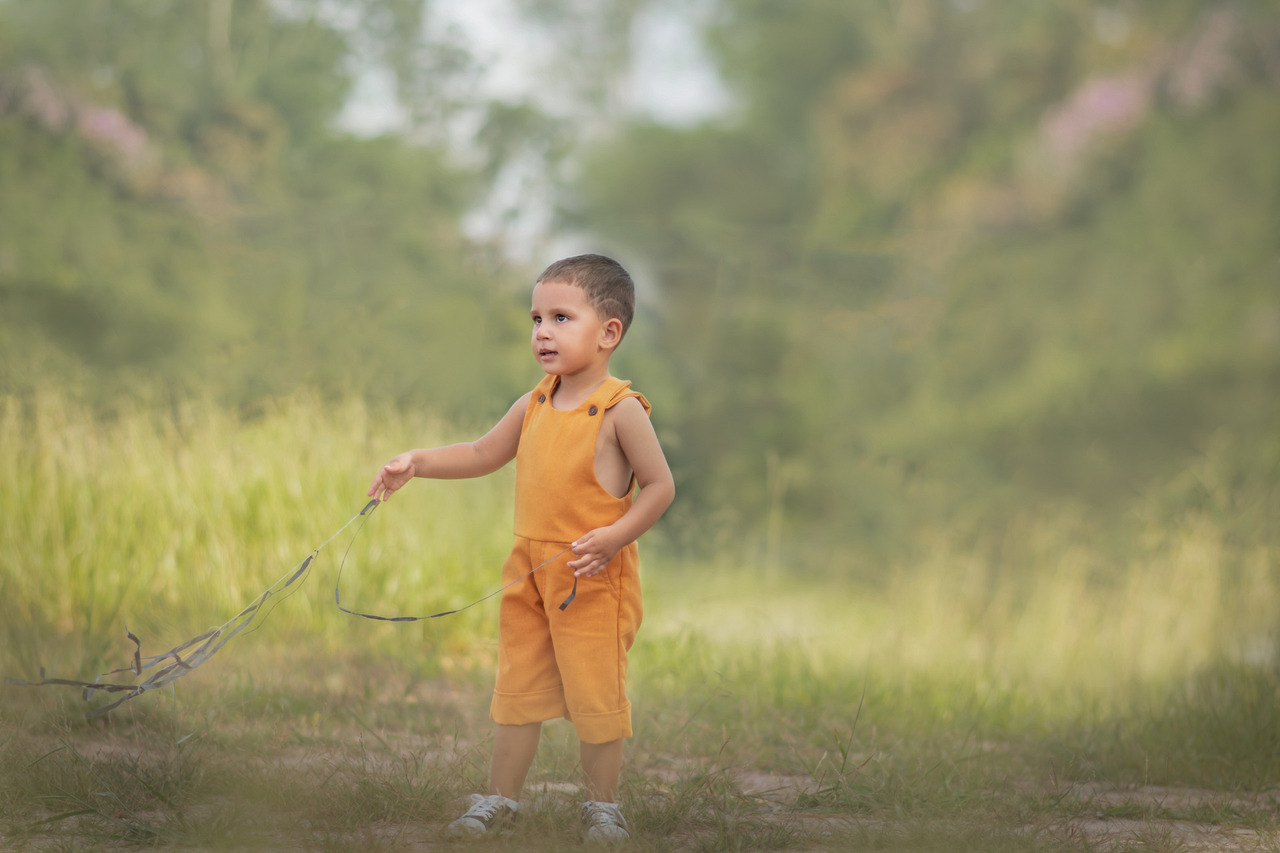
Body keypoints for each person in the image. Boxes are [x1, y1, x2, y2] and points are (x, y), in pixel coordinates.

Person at [367, 254, 675, 842]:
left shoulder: (621, 409)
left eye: (561, 317)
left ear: (610, 332)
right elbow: (483, 454)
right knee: (518, 691)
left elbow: (660, 487)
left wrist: (614, 537)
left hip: (591, 574)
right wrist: (418, 462)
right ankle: (500, 799)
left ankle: (602, 806)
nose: (542, 332)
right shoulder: (533, 402)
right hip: (528, 573)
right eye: (536, 318)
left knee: (596, 695)